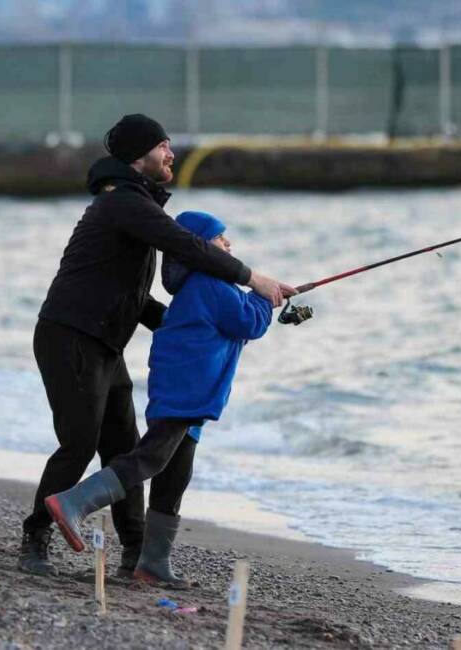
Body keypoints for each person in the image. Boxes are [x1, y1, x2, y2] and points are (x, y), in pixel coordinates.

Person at [20, 114, 295, 575]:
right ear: (138, 156)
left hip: (104, 343)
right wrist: (254, 278)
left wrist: (184, 328)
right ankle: (35, 539)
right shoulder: (124, 203)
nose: (171, 154)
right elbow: (187, 245)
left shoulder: (134, 206)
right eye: (164, 146)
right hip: (69, 335)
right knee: (79, 443)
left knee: (123, 446)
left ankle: (136, 555)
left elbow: (134, 296)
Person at [45, 210, 272, 588]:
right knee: (152, 457)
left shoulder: (208, 284)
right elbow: (248, 321)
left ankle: (153, 563)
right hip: (186, 389)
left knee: (175, 475)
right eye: (219, 239)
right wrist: (265, 298)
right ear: (199, 247)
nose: (228, 245)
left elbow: (238, 320)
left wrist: (262, 298)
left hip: (192, 392)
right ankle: (74, 502)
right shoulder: (209, 282)